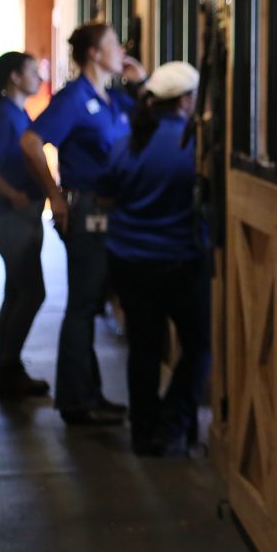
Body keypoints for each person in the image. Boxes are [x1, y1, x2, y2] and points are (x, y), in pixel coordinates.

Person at [21, 23, 145, 426]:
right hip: (88, 209)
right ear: (93, 52)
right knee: (83, 304)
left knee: (92, 303)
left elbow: (147, 117)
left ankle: (88, 393)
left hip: (115, 213)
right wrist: (54, 196)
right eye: (112, 43)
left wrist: (141, 83)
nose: (120, 49)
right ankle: (75, 400)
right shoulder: (75, 97)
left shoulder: (110, 99)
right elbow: (30, 141)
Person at [98, 61, 211, 456]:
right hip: (180, 261)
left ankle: (143, 431)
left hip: (129, 260)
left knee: (144, 347)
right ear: (185, 100)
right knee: (198, 345)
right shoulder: (195, 148)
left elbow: (105, 194)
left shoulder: (126, 142)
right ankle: (174, 420)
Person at [0, 51, 49, 399]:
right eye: (33, 72)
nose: (39, 78)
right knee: (32, 292)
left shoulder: (16, 111)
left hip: (18, 214)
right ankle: (8, 367)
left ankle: (9, 368)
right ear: (15, 77)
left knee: (17, 291)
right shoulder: (2, 114)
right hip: (8, 215)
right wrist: (14, 193)